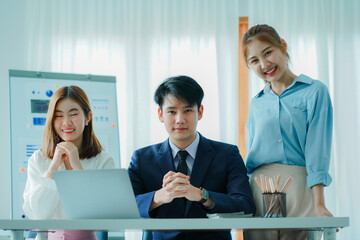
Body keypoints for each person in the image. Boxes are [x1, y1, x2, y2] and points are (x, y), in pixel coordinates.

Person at [128, 75, 255, 240]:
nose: (180, 120)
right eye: (172, 112)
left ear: (200, 112)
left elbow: (245, 205)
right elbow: (126, 207)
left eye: (187, 111)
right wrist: (160, 196)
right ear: (160, 114)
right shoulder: (142, 158)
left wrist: (202, 196)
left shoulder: (227, 154)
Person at [242, 24, 333, 239]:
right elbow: (251, 156)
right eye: (254, 61)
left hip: (300, 187)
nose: (264, 64)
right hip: (259, 188)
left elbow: (317, 150)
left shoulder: (314, 91)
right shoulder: (257, 103)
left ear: (282, 46)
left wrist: (319, 204)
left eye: (268, 53)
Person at [23, 86, 115, 240]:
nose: (66, 123)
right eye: (58, 116)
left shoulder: (103, 161)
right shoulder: (38, 159)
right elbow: (38, 215)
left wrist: (77, 167)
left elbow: (100, 214)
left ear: (88, 117)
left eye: (73, 114)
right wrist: (53, 167)